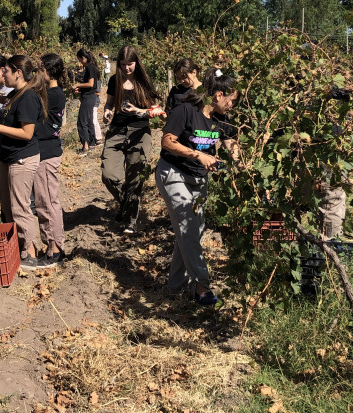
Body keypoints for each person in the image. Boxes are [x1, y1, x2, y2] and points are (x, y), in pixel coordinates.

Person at [156, 70, 238, 305]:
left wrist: (241, 163)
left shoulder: (222, 119)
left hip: (199, 179)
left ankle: (175, 286)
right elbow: (167, 141)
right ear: (218, 95)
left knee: (193, 231)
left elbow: (231, 143)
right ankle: (202, 287)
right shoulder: (185, 110)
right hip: (173, 174)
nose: (233, 105)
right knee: (189, 228)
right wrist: (198, 155)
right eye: (231, 100)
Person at [0, 55, 47, 268]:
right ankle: (19, 248)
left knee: (20, 207)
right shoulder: (16, 95)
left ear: (18, 73)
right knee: (9, 206)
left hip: (22, 158)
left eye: (7, 71)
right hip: (9, 156)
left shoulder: (28, 97)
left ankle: (30, 252)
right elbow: (3, 111)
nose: (3, 74)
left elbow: (27, 133)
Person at [101, 45, 163, 234]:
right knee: (108, 174)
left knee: (135, 177)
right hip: (117, 131)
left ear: (136, 63)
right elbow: (109, 103)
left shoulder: (144, 82)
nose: (127, 68)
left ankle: (131, 219)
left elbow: (156, 110)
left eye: (130, 64)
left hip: (139, 131)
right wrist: (107, 111)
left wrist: (138, 111)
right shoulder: (114, 81)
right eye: (123, 64)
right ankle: (127, 204)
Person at [33, 54, 67, 266]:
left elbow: (42, 127)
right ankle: (54, 244)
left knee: (46, 202)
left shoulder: (52, 95)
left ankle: (54, 248)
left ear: (46, 70)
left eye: (39, 69)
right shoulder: (52, 93)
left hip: (46, 153)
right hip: (48, 151)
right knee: (47, 200)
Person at [72, 48, 101, 154]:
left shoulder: (89, 68)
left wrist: (77, 85)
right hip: (90, 96)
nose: (79, 62)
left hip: (89, 97)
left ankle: (85, 146)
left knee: (82, 121)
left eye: (79, 59)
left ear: (84, 58)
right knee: (88, 121)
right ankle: (91, 143)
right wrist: (81, 89)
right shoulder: (92, 67)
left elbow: (91, 84)